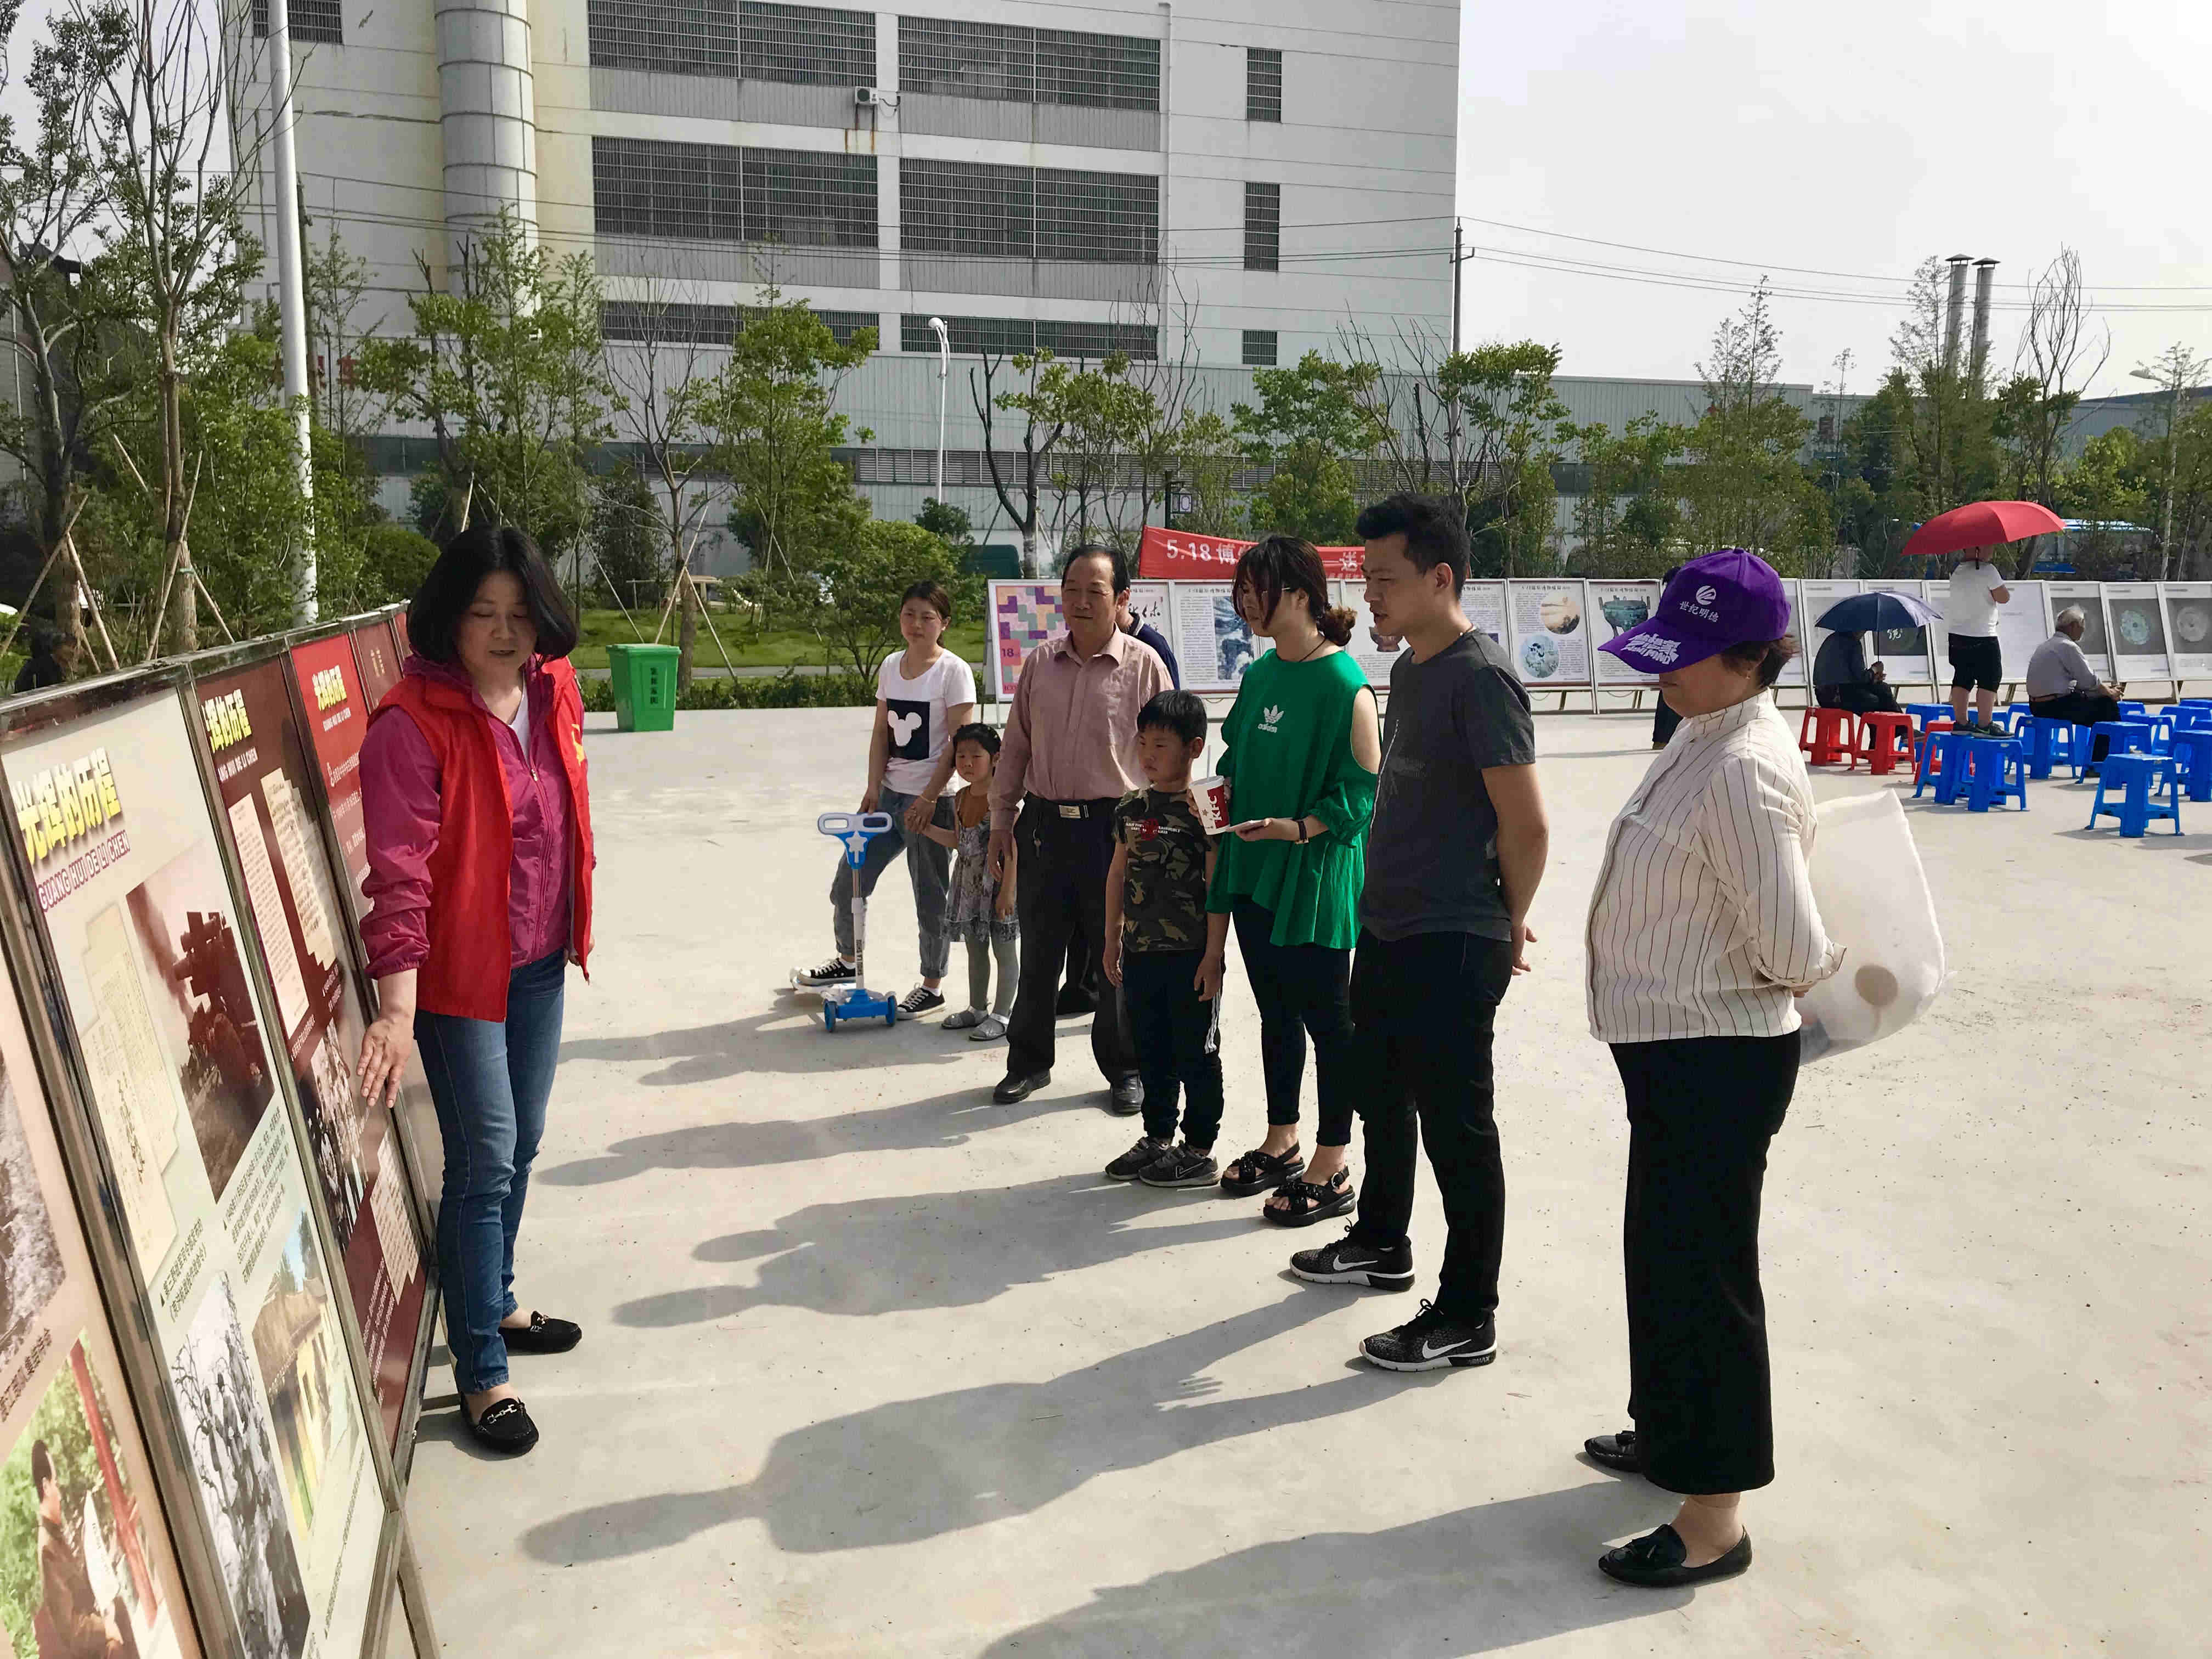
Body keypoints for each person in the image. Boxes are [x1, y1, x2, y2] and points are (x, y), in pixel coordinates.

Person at [1581, 548, 1842, 1589]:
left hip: (1717, 1057)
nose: (1664, 670)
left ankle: (1714, 1514)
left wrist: (1834, 966)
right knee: (1663, 1261)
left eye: (1684, 655)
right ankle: (1670, 1432)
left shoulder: (1743, 768)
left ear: (1749, 659)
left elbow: (1791, 947)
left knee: (1705, 1278)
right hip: (1674, 1051)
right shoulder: (1703, 731)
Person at [1290, 494, 1549, 1375]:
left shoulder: (1482, 677)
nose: (1370, 595)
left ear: (1441, 578)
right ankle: (1381, 1240)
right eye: (1366, 578)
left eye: (1387, 579)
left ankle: (1469, 1312)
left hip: (1453, 936)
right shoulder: (1409, 670)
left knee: (1457, 1129)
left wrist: (1508, 921)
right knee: (1379, 1091)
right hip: (1391, 924)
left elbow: (1527, 825)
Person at [358, 524, 594, 1457]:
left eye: (520, 613)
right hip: (461, 979)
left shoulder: (554, 688)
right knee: (485, 1159)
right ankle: (482, 1371)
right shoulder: (411, 723)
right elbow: (400, 875)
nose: (504, 632)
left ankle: (495, 1299)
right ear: (447, 619)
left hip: (538, 961)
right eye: (482, 613)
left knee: (522, 1143)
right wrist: (397, 1009)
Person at [1203, 534, 1379, 1223]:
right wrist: (1210, 803)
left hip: (1312, 877)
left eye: (1259, 590)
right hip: (1254, 871)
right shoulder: (1261, 675)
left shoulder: (1345, 685)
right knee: (1276, 1013)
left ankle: (1332, 1163)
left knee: (1329, 1023)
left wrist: (1298, 828)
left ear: (1302, 595)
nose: (1246, 603)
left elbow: (1360, 795)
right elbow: (1235, 763)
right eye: (1242, 591)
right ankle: (1283, 1139)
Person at [989, 545, 1172, 1107]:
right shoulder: (1040, 663)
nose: (1081, 601)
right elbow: (1015, 747)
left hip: (1115, 831)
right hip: (1044, 827)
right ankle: (1028, 1062)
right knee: (1039, 953)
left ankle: (1125, 1068)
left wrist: (1162, 831)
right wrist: (1001, 821)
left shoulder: (1145, 665)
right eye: (1071, 589)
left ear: (1121, 599)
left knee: (1116, 953)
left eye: (1095, 591)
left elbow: (1169, 756)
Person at [793, 582, 975, 1017]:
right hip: (890, 798)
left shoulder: (954, 672)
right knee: (849, 882)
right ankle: (846, 960)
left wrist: (929, 797)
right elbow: (881, 732)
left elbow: (960, 744)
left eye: (928, 617)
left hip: (933, 803)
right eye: (909, 614)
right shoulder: (892, 666)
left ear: (944, 624)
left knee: (930, 897)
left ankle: (932, 985)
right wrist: (873, 786)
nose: (917, 624)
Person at [1101, 690, 1229, 1188]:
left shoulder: (1207, 811)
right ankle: (1157, 1137)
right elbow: (1118, 873)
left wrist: (1214, 956)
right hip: (1141, 952)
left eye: (1161, 745)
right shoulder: (1130, 806)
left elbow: (1218, 886)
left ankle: (1198, 1150)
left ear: (1194, 748)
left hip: (1191, 956)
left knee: (1196, 1053)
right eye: (1142, 743)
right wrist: (1112, 938)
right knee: (1150, 1049)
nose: (1148, 755)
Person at [930, 723, 1020, 1041]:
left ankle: (1003, 1014)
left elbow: (1012, 851)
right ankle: (977, 1009)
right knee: (975, 950)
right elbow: (960, 842)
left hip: (998, 886)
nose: (967, 763)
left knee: (1004, 952)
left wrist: (1008, 892)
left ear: (996, 759)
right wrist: (924, 828)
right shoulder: (960, 797)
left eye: (976, 756)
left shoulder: (1006, 801)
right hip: (967, 887)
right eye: (961, 756)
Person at [31, 1440, 129, 1659]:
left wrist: (105, 1556)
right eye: (56, 1484)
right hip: (82, 1650)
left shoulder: (55, 1536)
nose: (60, 1494)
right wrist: (105, 1628)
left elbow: (78, 1588)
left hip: (89, 1628)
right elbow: (72, 1630)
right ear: (46, 1487)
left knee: (119, 1608)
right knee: (114, 1645)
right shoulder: (47, 1549)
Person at [2027, 606, 2123, 761]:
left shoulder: (2047, 645)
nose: (2084, 629)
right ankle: (2103, 761)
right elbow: (2088, 680)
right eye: (2082, 624)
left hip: (2037, 706)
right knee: (2107, 707)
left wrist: (2100, 690)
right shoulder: (2068, 646)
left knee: (2097, 700)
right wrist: (2110, 692)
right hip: (2053, 706)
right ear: (2073, 626)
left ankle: (2111, 751)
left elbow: (2079, 683)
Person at [1945, 548, 2010, 733]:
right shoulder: (1988, 570)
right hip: (1983, 634)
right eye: (1989, 545)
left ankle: (1961, 723)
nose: (1993, 549)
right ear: (1977, 548)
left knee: (1962, 677)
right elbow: (2004, 597)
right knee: (1990, 677)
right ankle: (1985, 724)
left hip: (1957, 634)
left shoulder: (1957, 571)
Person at [1811, 630, 1901, 715]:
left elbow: (1852, 676)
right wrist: (1875, 669)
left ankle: (1898, 724)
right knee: (1876, 698)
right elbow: (1861, 678)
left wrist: (1872, 677)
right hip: (1837, 696)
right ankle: (1900, 724)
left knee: (1882, 689)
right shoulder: (1853, 642)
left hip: (1822, 696)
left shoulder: (1832, 639)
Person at [1651, 565, 1684, 748]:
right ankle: (1665, 739)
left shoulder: (1668, 600)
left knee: (1668, 694)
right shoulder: (1681, 601)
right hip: (1677, 654)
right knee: (1675, 695)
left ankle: (1661, 739)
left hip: (1667, 653)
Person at [1119, 591, 1182, 689]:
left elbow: (1172, 695)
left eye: (1096, 593)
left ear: (1122, 599)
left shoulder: (1155, 644)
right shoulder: (1099, 639)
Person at [13, 627, 68, 695]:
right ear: (56, 647)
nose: (71, 649)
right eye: (66, 644)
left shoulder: (32, 666)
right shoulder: (46, 668)